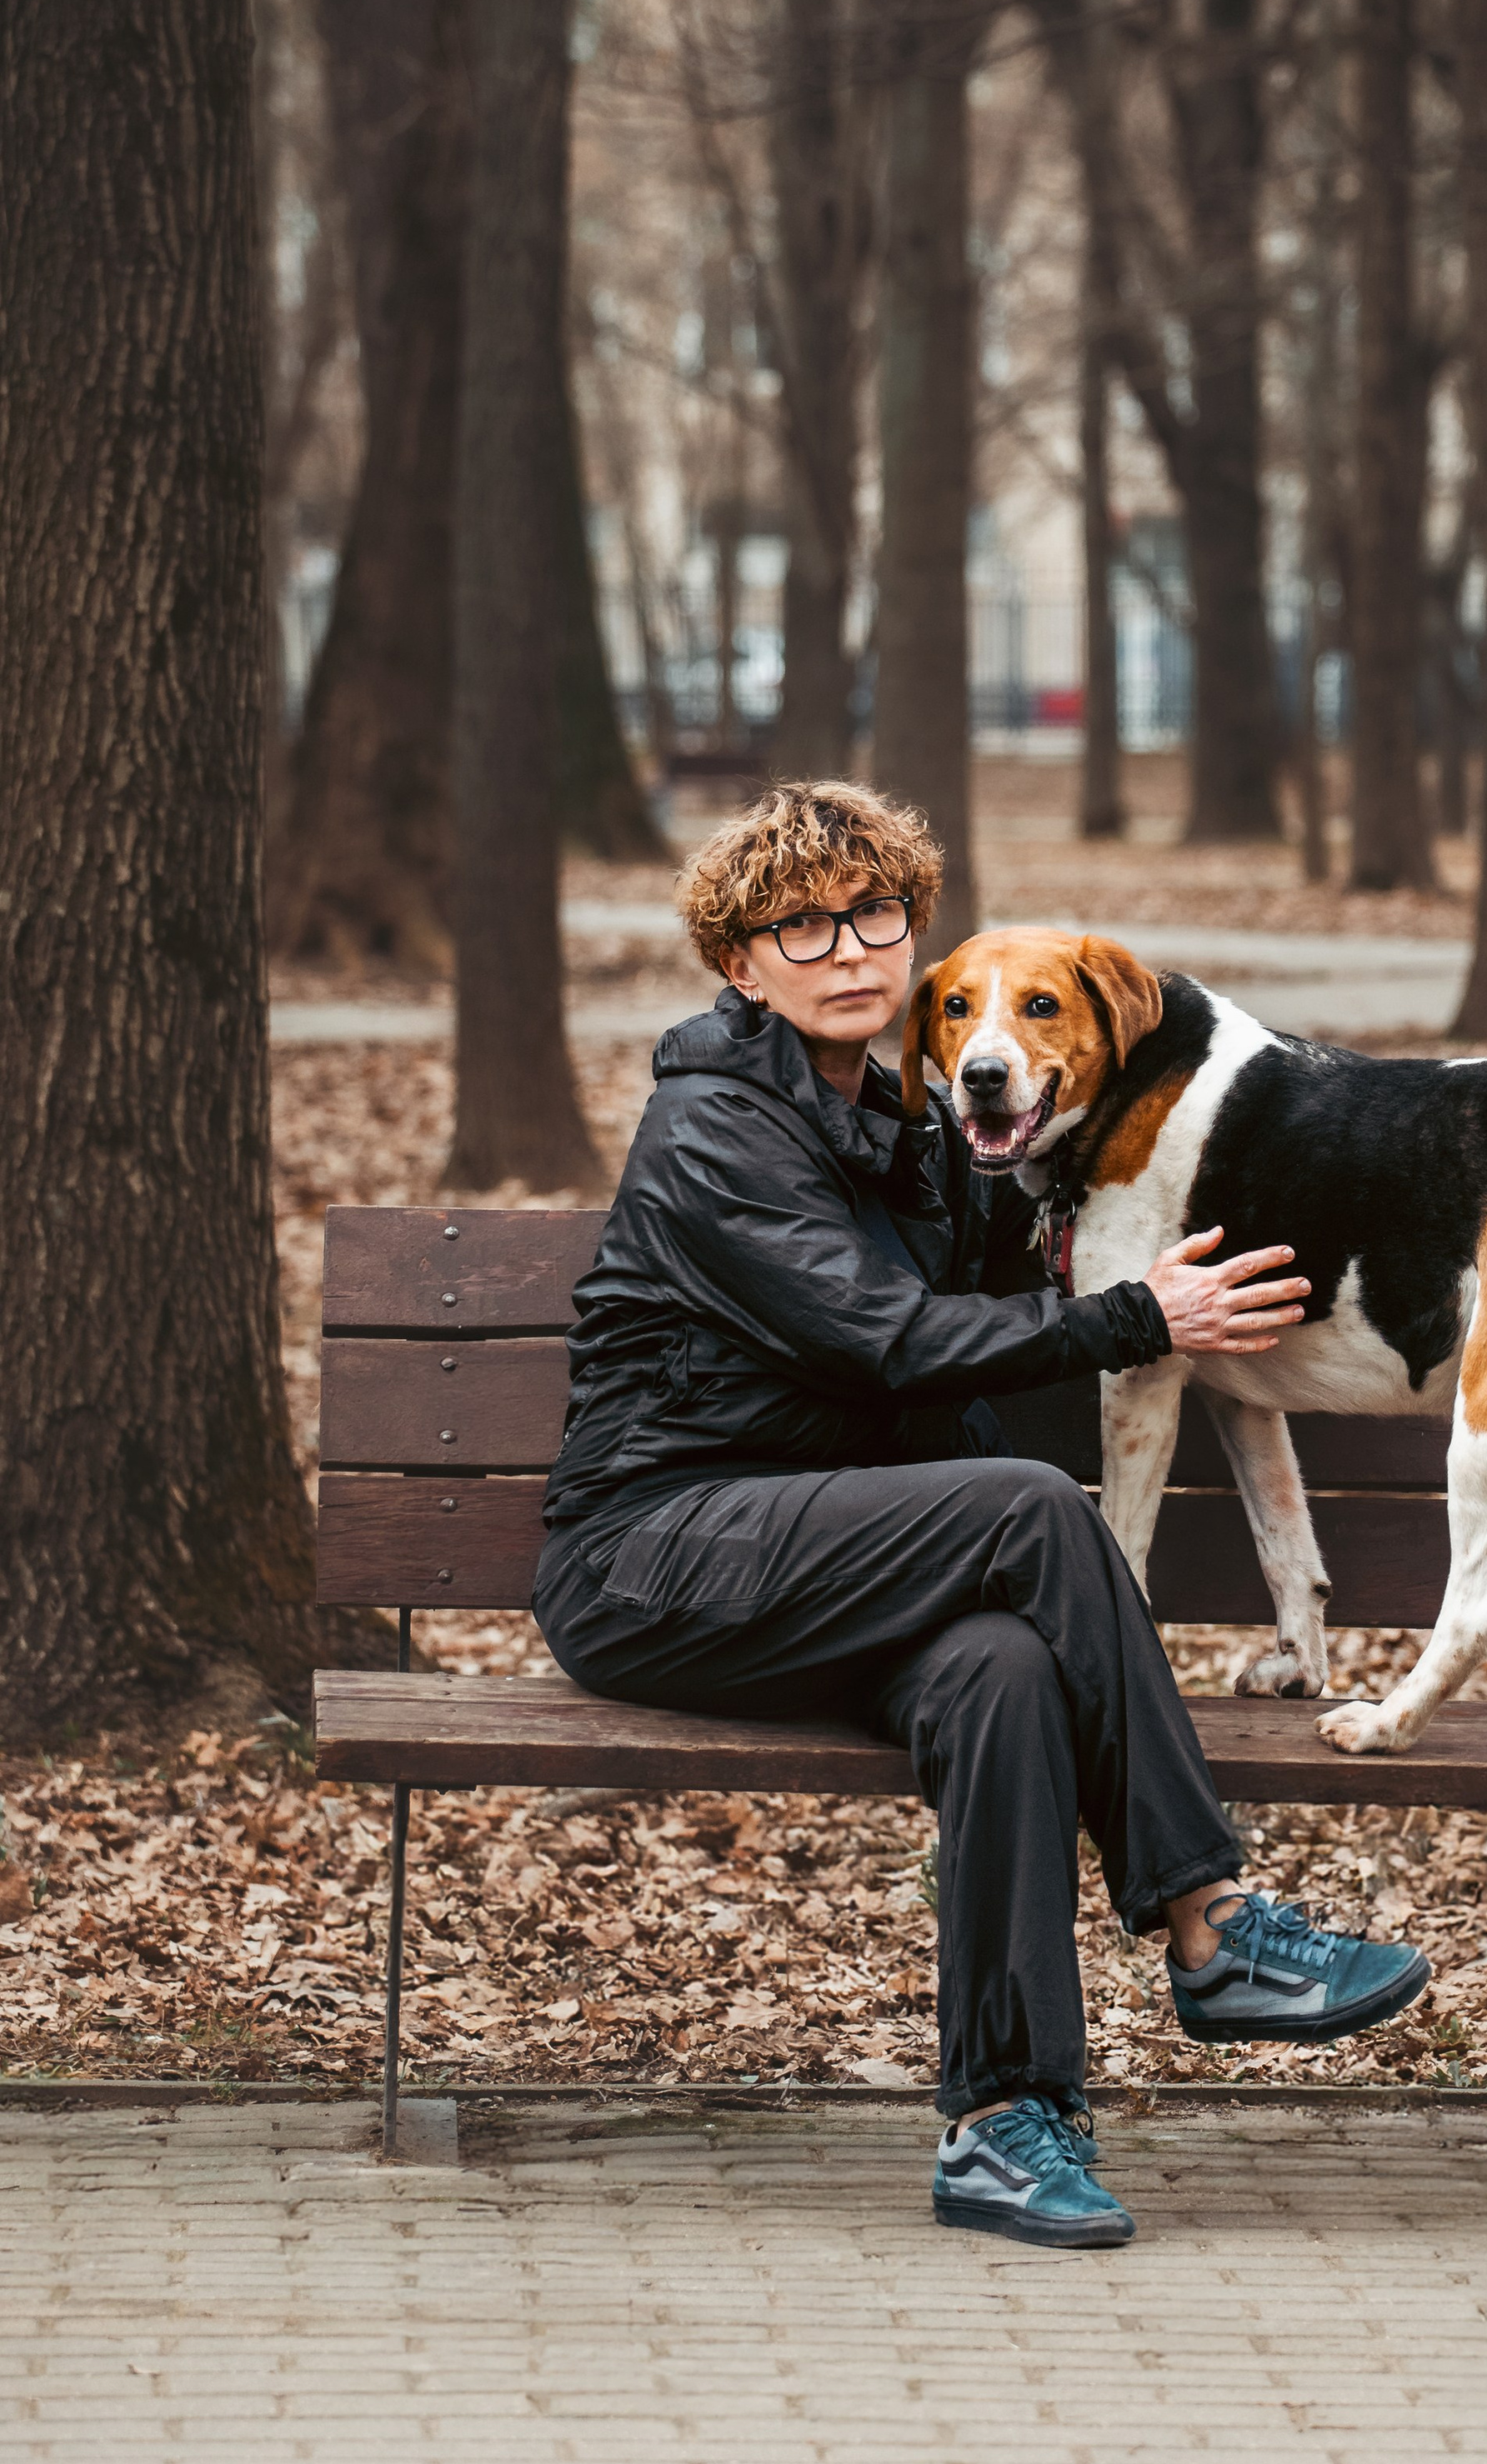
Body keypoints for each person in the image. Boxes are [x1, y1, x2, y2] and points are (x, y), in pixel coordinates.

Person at [534, 779, 1429, 2247]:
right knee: (1027, 1512)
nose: (846, 949)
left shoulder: (913, 1129)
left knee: (1003, 1674)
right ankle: (1208, 1925)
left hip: (830, 1559)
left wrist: (1226, 1304)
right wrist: (1140, 1316)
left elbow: (1005, 1323)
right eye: (799, 927)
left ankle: (1002, 2125)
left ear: (914, 939)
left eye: (874, 914)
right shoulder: (716, 1131)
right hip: (661, 1556)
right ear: (740, 966)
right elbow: (880, 1338)